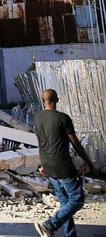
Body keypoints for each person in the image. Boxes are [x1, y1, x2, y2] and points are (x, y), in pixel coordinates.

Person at [33, 88, 99, 237]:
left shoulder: (37, 118)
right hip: (62, 165)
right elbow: (76, 144)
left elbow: (40, 143)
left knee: (65, 202)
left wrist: (42, 164)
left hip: (48, 165)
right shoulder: (63, 118)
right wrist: (90, 163)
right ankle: (49, 225)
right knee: (77, 200)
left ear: (43, 101)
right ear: (57, 100)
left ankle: (70, 235)